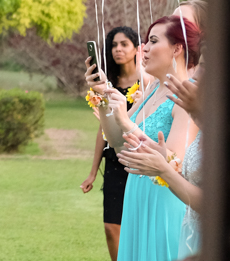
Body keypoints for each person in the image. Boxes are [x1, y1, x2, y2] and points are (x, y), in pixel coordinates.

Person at [86, 15, 201, 261]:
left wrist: (126, 121)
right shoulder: (151, 90)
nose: (144, 48)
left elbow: (175, 163)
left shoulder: (188, 94)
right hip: (136, 193)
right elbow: (118, 145)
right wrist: (105, 96)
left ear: (177, 48)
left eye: (152, 41)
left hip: (166, 200)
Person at [80, 26, 145, 261]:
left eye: (124, 44)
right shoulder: (108, 83)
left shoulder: (147, 82)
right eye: (114, 45)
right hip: (114, 161)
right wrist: (92, 173)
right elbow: (103, 131)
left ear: (137, 48)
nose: (118, 49)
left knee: (138, 224)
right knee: (111, 226)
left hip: (141, 156)